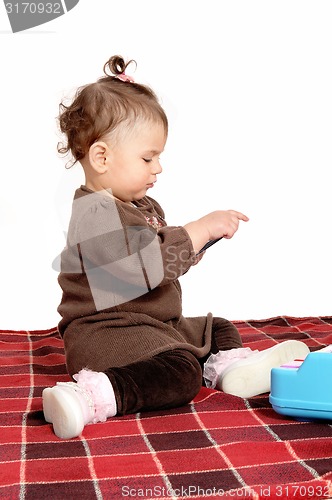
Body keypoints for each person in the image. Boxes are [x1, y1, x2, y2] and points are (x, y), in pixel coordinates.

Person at [43, 56, 310, 439]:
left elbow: (159, 259)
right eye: (148, 157)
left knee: (214, 328)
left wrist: (199, 246)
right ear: (102, 157)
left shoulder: (135, 206)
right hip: (107, 332)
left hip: (152, 322)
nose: (158, 168)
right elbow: (142, 268)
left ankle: (229, 369)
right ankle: (92, 396)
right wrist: (197, 230)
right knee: (181, 372)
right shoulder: (95, 213)